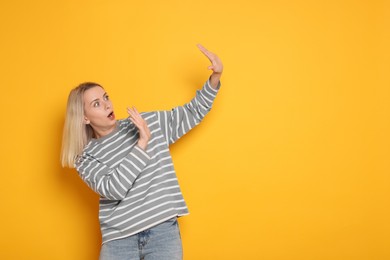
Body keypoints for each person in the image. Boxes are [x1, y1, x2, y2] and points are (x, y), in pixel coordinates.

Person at [60, 44, 223, 260]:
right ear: (84, 118)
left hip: (162, 233)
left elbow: (191, 113)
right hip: (119, 241)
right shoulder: (85, 158)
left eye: (106, 97)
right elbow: (114, 189)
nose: (108, 105)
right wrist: (142, 144)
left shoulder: (146, 123)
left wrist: (215, 78)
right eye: (97, 104)